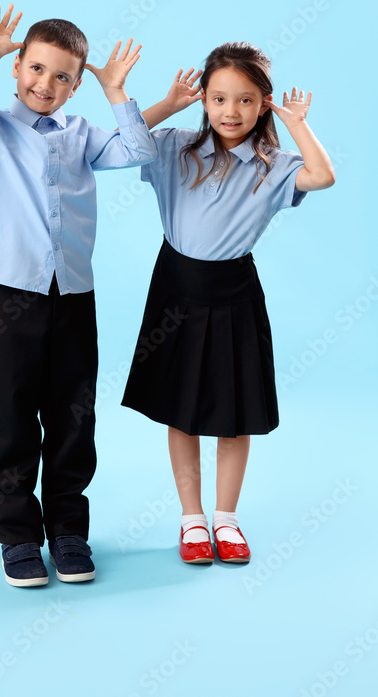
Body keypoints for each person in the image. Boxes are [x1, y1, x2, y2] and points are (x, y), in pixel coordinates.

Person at [0, 2, 157, 587]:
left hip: (73, 294)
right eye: (35, 69)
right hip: (10, 290)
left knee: (72, 414)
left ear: (77, 83)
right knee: (10, 416)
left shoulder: (83, 134)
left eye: (62, 76)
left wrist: (117, 92)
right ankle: (17, 538)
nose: (45, 84)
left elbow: (139, 151)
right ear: (18, 70)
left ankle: (68, 533)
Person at [121, 42, 335, 564]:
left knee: (234, 415)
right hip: (174, 288)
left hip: (235, 294)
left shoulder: (275, 164)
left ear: (263, 104)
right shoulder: (175, 147)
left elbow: (323, 176)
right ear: (206, 102)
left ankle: (226, 519)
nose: (229, 112)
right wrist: (168, 104)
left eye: (243, 100)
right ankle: (192, 520)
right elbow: (123, 141)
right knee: (181, 410)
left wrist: (297, 123)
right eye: (218, 99)